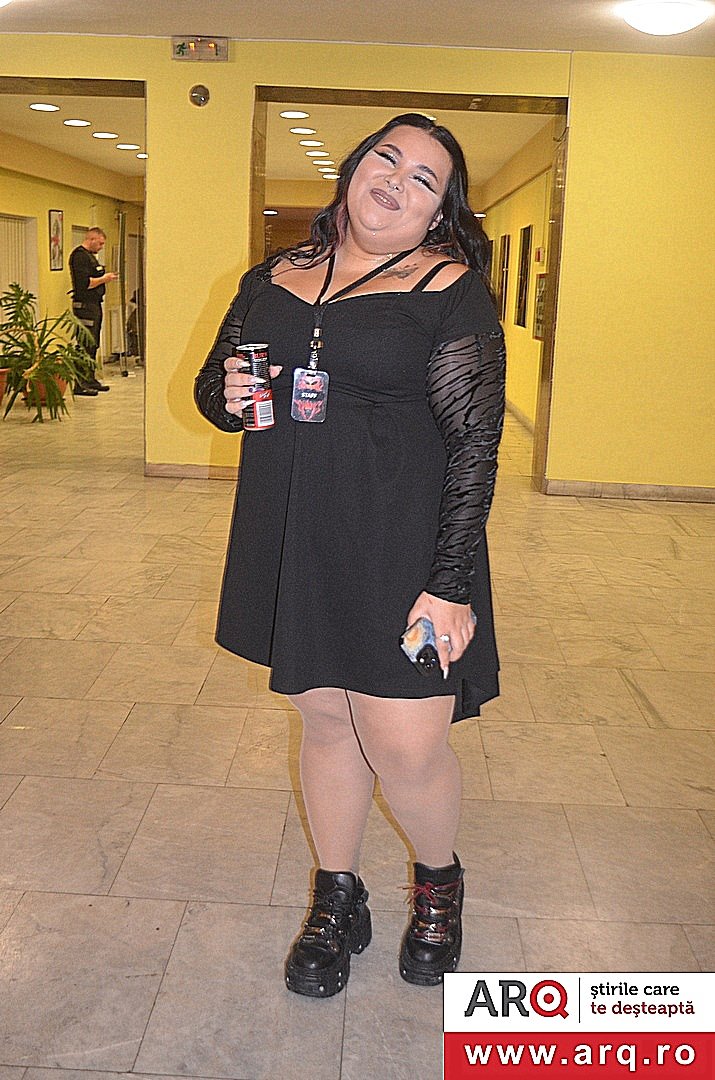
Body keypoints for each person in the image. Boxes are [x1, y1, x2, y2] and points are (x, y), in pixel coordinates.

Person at [195, 113, 506, 997]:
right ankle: (338, 897)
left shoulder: (449, 290)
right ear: (354, 167)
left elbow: (474, 446)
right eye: (386, 159)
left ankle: (438, 888)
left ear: (440, 212)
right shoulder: (272, 275)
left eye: (423, 179)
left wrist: (448, 586)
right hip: (295, 528)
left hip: (401, 542)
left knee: (405, 744)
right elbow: (217, 391)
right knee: (326, 719)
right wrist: (227, 398)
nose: (396, 182)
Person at [69, 227, 117, 394]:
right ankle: (80, 383)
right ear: (92, 239)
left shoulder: (90, 257)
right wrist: (104, 278)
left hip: (94, 304)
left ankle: (89, 379)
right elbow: (84, 284)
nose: (101, 247)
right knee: (85, 344)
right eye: (100, 243)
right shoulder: (79, 256)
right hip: (84, 306)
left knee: (93, 344)